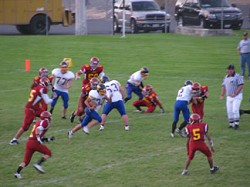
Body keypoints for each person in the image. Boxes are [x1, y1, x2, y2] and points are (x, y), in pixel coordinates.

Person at [10, 77, 53, 145]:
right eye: (47, 85)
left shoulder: (37, 86)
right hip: (30, 109)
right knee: (26, 126)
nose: (48, 87)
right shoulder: (42, 89)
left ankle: (40, 136)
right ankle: (14, 139)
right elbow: (47, 101)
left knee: (48, 117)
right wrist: (54, 97)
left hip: (35, 108)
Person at [14, 111, 55, 179]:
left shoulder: (39, 122)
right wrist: (38, 138)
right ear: (46, 118)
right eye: (49, 116)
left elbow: (39, 135)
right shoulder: (45, 122)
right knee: (48, 153)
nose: (50, 118)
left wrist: (49, 139)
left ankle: (17, 172)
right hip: (35, 142)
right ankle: (38, 164)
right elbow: (38, 130)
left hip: (29, 142)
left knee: (26, 161)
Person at [220, 64, 244, 129]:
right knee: (229, 111)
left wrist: (235, 93)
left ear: (233, 70)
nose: (228, 71)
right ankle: (231, 124)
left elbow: (241, 85)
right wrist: (222, 95)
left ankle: (237, 124)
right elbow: (224, 86)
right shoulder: (226, 77)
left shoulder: (238, 76)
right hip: (229, 96)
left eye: (230, 70)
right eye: (228, 69)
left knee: (235, 110)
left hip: (237, 96)